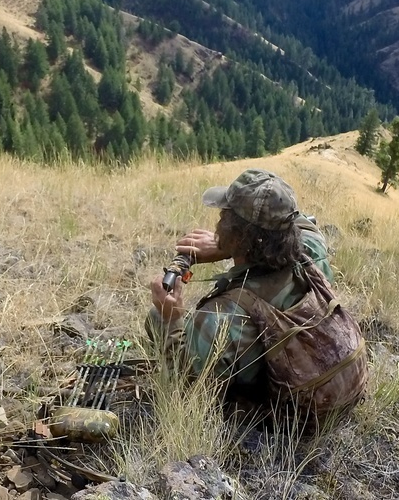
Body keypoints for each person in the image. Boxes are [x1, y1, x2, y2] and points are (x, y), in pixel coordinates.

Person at [147, 168, 367, 419]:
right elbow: (301, 222)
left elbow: (187, 392)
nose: (218, 222)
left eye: (223, 216)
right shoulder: (312, 250)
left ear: (239, 236)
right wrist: (228, 247)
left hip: (290, 419)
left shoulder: (222, 317)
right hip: (336, 387)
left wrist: (171, 318)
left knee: (156, 317)